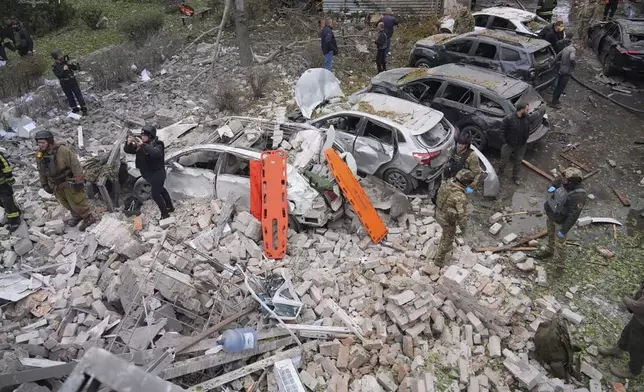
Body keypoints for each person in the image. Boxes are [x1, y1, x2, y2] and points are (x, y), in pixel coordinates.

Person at [35, 130, 96, 231]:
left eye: (43, 143)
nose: (40, 145)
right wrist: (44, 184)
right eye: (39, 143)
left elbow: (75, 165)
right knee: (65, 202)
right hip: (55, 184)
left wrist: (79, 179)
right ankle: (77, 216)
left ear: (49, 141)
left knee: (77, 201)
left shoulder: (62, 151)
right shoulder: (39, 154)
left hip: (68, 181)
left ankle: (88, 217)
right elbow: (41, 170)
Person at [535, 167, 587, 275]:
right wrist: (553, 186)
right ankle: (549, 250)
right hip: (552, 214)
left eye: (565, 179)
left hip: (561, 221)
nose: (562, 180)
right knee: (550, 234)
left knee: (560, 245)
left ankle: (560, 266)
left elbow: (574, 215)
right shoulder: (565, 181)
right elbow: (557, 181)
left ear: (573, 181)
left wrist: (564, 230)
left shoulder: (579, 195)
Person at [124, 125, 174, 220]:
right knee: (161, 190)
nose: (142, 137)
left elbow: (155, 154)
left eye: (145, 135)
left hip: (158, 174)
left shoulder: (159, 144)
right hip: (148, 174)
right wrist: (128, 143)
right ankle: (170, 207)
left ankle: (165, 214)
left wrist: (143, 145)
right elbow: (128, 150)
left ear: (150, 136)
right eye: (142, 135)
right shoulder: (141, 145)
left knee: (155, 194)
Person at [598, 282, 644, 378]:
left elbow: (637, 307)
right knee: (627, 331)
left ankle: (634, 371)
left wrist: (627, 299)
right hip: (639, 318)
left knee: (637, 348)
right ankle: (619, 350)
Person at [432, 169, 475, 266]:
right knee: (448, 239)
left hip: (438, 212)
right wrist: (463, 227)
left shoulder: (448, 183)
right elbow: (462, 215)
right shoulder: (460, 197)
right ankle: (438, 261)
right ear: (466, 183)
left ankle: (445, 241)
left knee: (446, 233)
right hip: (446, 220)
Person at [498, 102, 530, 185]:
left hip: (521, 144)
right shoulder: (509, 119)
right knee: (504, 160)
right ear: (521, 110)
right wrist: (505, 142)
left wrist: (525, 139)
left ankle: (515, 176)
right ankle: (500, 172)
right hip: (509, 144)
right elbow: (501, 130)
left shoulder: (526, 118)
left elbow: (528, 129)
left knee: (518, 161)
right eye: (527, 109)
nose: (528, 111)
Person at [51, 49, 87, 115]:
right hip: (64, 82)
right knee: (69, 96)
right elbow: (59, 75)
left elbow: (76, 68)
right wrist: (64, 70)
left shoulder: (65, 61)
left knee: (78, 94)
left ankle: (83, 108)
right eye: (59, 55)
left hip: (72, 80)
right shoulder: (55, 66)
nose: (61, 56)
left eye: (61, 54)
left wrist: (71, 64)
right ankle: (75, 108)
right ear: (56, 57)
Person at [550, 34, 575, 109]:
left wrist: (552, 64)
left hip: (561, 69)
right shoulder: (572, 49)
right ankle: (554, 102)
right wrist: (573, 64)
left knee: (558, 86)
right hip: (567, 71)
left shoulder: (565, 49)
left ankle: (554, 100)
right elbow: (572, 58)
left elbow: (557, 57)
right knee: (561, 87)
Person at [0, 152, 22, 232]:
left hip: (3, 184)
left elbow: (6, 166)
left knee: (8, 201)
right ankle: (9, 216)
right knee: (2, 203)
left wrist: (9, 178)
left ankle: (15, 221)